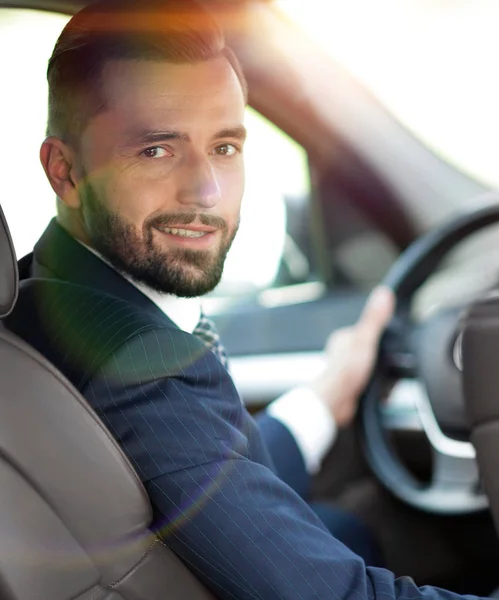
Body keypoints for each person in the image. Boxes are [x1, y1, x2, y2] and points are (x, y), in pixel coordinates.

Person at [5, 0, 482, 598]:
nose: (206, 190)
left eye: (225, 147)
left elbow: (201, 473)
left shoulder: (38, 305)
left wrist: (322, 399)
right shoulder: (139, 361)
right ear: (65, 172)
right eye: (157, 149)